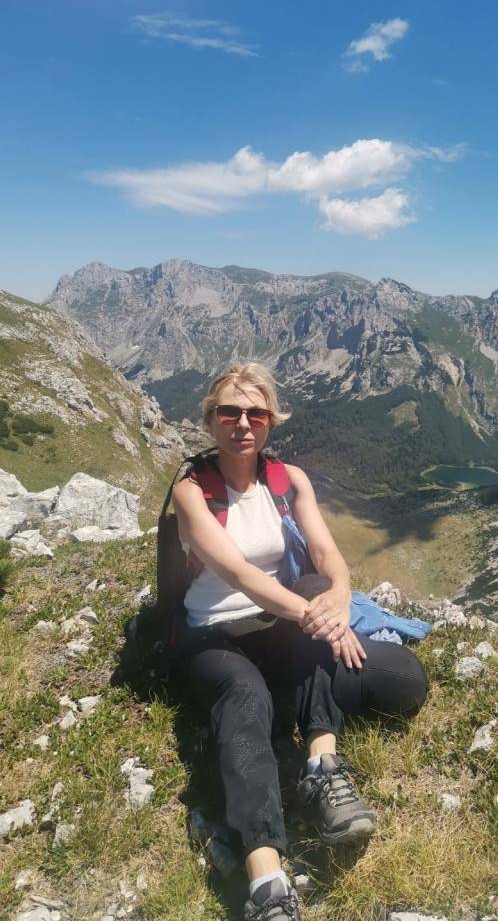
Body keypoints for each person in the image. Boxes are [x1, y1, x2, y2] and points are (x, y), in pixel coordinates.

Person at [171, 362, 427, 921]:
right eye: (229, 413)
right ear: (210, 421)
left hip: (283, 625)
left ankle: (320, 770)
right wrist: (316, 617)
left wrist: (338, 598)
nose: (243, 424)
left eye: (256, 414)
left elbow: (326, 551)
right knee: (245, 698)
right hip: (215, 634)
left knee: (403, 679)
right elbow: (239, 573)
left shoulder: (288, 480)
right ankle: (267, 881)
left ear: (271, 421)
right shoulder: (192, 490)